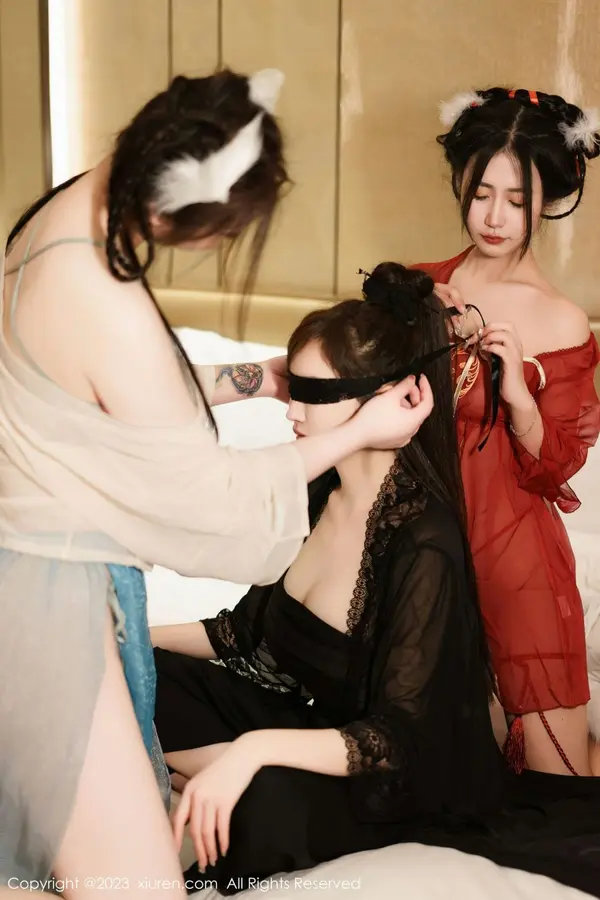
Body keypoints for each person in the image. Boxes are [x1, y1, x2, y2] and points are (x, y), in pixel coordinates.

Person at [0, 69, 433, 896]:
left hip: (27, 571)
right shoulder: (108, 298)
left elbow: (101, 389)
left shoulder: (60, 211)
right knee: (133, 883)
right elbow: (218, 504)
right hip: (45, 594)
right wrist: (358, 431)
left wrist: (256, 378)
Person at [151, 262, 506, 895]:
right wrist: (127, 637)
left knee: (265, 795)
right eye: (295, 387)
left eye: (314, 394)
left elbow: (397, 739)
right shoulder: (317, 490)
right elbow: (240, 634)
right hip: (303, 724)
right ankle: (207, 776)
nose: (293, 409)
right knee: (138, 674)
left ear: (391, 398)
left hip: (377, 775)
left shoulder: (424, 540)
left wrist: (252, 751)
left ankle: (212, 783)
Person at [414, 86, 600, 777]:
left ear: (546, 201)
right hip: (419, 553)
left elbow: (557, 468)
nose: (494, 217)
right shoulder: (420, 288)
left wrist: (518, 394)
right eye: (481, 193)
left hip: (515, 560)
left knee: (561, 792)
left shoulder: (560, 319)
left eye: (517, 201)